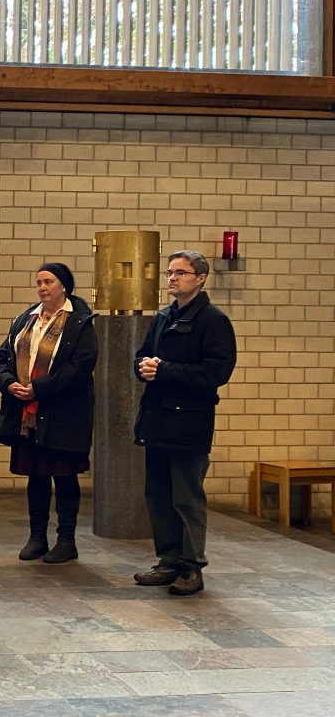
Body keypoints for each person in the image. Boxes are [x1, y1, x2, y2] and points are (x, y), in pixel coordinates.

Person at [133, 250, 236, 596]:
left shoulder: (213, 320)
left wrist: (164, 370)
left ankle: (192, 567)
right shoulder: (164, 317)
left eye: (180, 273)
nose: (172, 278)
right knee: (158, 494)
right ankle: (168, 560)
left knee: (186, 498)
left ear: (201, 278)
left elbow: (216, 372)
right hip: (157, 418)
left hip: (189, 421)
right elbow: (142, 355)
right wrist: (142, 367)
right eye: (169, 273)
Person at [0, 263, 97, 564]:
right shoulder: (26, 319)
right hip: (27, 412)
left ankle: (66, 541)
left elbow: (79, 366)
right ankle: (37, 537)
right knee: (36, 475)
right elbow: (5, 357)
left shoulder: (80, 322)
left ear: (64, 285)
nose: (42, 287)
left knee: (63, 476)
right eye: (39, 282)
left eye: (48, 282)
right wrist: (9, 383)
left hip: (62, 411)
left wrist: (39, 388)